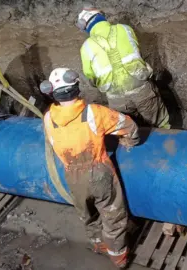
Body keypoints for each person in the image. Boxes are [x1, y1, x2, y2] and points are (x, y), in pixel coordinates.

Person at [40, 68, 139, 268]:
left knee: (87, 213)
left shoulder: (48, 118)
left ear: (52, 93)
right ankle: (118, 258)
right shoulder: (94, 112)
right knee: (113, 214)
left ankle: (98, 244)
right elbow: (129, 126)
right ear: (77, 88)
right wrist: (130, 142)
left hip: (71, 175)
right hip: (98, 171)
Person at [77, 6, 171, 129]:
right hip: (141, 89)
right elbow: (136, 51)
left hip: (117, 99)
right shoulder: (125, 29)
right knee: (161, 123)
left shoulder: (86, 48)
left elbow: (91, 78)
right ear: (101, 17)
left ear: (85, 27)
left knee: (130, 130)